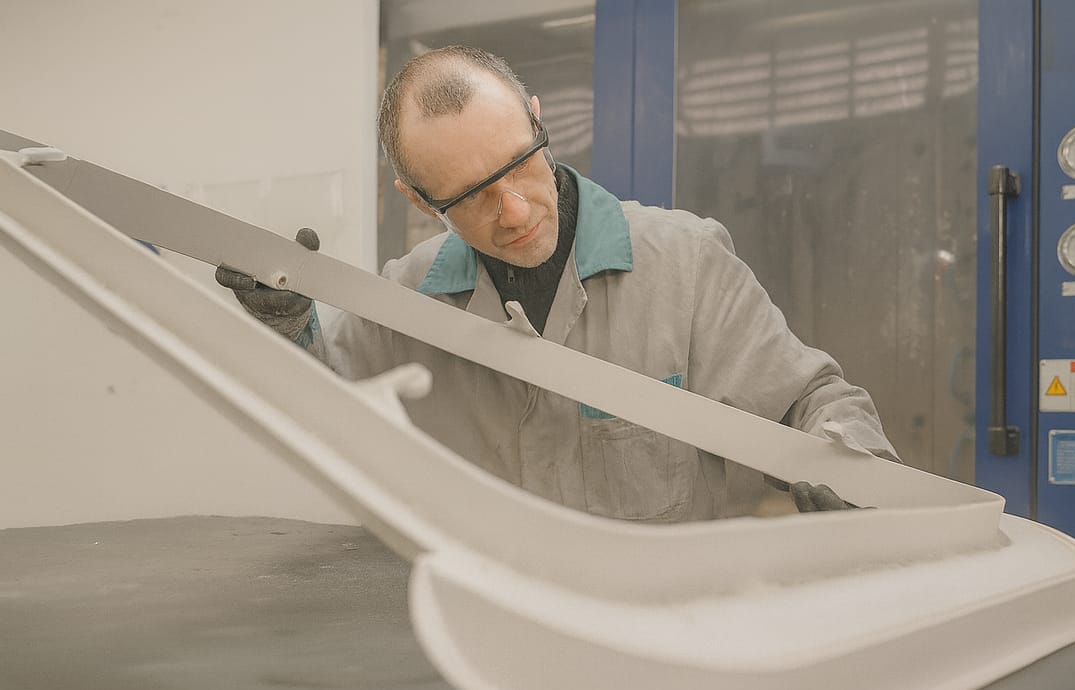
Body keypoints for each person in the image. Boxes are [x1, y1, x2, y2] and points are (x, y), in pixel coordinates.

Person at [217, 45, 898, 522]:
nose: (514, 212)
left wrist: (851, 471)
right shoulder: (406, 301)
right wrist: (286, 322)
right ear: (420, 201)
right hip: (488, 638)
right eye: (472, 195)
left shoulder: (685, 264)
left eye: (519, 164)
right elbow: (324, 405)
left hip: (670, 636)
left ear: (539, 120)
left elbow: (810, 402)